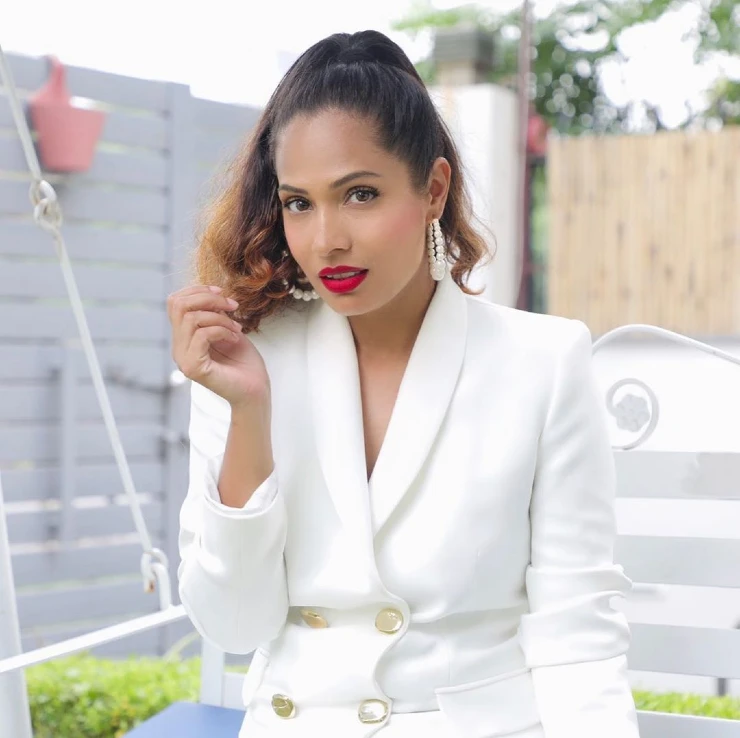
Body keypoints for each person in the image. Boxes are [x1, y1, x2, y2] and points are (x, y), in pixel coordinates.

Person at [168, 29, 639, 738]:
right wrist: (249, 415)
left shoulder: (543, 362)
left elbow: (578, 637)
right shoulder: (245, 362)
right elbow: (234, 624)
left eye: (359, 194)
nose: (326, 239)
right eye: (299, 203)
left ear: (433, 190)